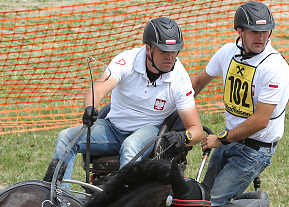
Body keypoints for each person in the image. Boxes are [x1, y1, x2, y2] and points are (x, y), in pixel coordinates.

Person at [45, 17, 204, 183]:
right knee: (66, 137)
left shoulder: (180, 79)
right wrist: (90, 107)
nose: (170, 57)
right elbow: (98, 89)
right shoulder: (127, 61)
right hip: (113, 128)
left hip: (149, 131)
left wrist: (184, 137)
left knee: (130, 146)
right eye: (163, 51)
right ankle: (60, 200)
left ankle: (121, 202)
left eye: (174, 51)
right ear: (148, 49)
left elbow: (196, 130)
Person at [190, 1, 289, 207]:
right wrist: (174, 112)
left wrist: (222, 139)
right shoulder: (228, 52)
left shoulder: (274, 67)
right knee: (200, 196)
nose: (261, 37)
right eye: (254, 31)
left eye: (265, 31)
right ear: (240, 30)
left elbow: (260, 121)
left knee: (210, 204)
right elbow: (198, 83)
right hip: (229, 137)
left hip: (255, 149)